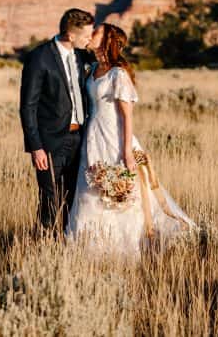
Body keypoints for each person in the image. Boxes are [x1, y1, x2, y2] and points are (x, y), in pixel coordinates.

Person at [65, 23, 196, 255]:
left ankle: (126, 248)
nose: (91, 34)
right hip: (93, 137)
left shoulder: (119, 73)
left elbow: (127, 116)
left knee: (121, 193)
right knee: (90, 191)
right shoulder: (93, 68)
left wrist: (126, 151)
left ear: (107, 40)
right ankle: (91, 249)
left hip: (115, 138)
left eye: (96, 32)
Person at [19, 8, 95, 232]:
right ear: (71, 35)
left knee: (73, 196)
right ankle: (46, 245)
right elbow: (28, 106)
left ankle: (65, 243)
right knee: (50, 197)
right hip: (50, 142)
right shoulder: (39, 57)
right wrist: (36, 147)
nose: (89, 39)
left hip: (79, 138)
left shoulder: (81, 55)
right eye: (86, 35)